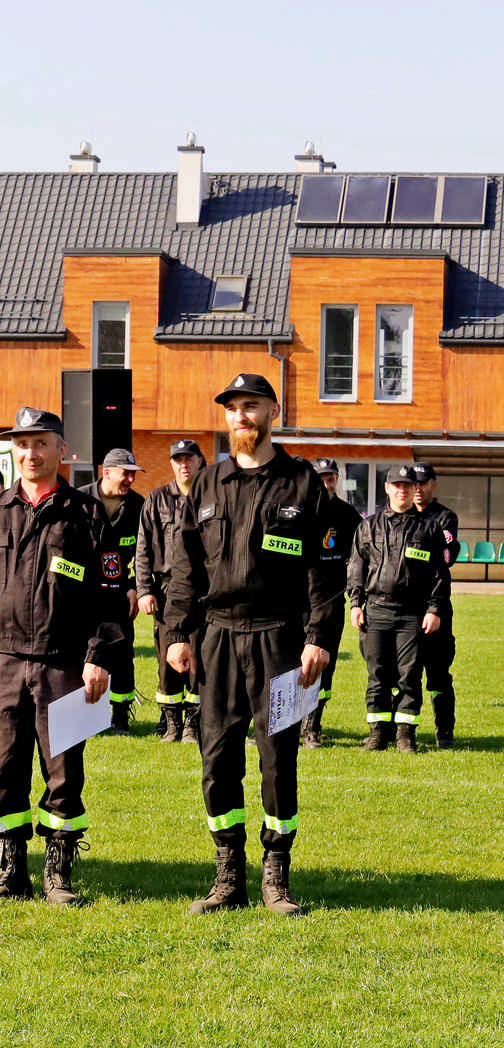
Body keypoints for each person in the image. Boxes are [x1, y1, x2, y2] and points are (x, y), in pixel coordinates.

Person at [165, 373, 342, 916]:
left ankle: (276, 875)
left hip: (279, 640)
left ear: (272, 412)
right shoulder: (208, 483)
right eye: (233, 408)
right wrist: (176, 632)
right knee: (217, 759)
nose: (241, 416)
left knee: (278, 759)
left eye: (252, 406)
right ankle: (228, 874)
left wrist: (319, 637)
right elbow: (185, 567)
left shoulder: (302, 483)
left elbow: (324, 571)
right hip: (217, 638)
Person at [0, 407, 122, 905]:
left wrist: (99, 654)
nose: (31, 453)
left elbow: (109, 594)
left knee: (63, 768)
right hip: (2, 662)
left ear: (61, 449)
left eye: (41, 443)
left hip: (64, 661)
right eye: (22, 444)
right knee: (2, 767)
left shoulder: (89, 515)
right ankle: (9, 870)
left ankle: (58, 871)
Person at [347, 465, 449, 754]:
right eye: (397, 485)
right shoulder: (368, 526)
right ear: (387, 488)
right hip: (375, 610)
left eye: (407, 485)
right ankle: (378, 733)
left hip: (412, 613)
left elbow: (439, 574)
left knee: (409, 675)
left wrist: (434, 609)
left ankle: (405, 735)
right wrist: (355, 604)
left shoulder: (429, 528)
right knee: (377, 674)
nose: (402, 490)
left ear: (415, 489)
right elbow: (356, 567)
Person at [135, 440, 206, 743]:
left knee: (200, 659)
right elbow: (142, 548)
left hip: (203, 592)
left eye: (189, 459)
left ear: (200, 461)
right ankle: (172, 722)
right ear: (171, 464)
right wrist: (143, 590)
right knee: (168, 660)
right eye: (178, 460)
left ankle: (193, 723)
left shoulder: (211, 497)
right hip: (166, 591)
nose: (183, 465)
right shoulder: (157, 499)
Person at [302, 457, 361, 747]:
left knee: (323, 666)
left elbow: (361, 555)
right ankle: (288, 727)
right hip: (296, 603)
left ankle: (312, 726)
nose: (326, 483)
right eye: (321, 478)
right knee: (289, 666)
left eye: (331, 478)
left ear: (337, 479)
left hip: (330, 603)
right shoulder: (300, 511)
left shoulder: (347, 514)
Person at [89, 449, 145, 734]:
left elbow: (145, 553)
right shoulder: (80, 501)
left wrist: (135, 587)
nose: (131, 480)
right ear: (107, 472)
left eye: (133, 474)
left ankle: (120, 717)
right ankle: (86, 716)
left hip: (120, 595)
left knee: (122, 655)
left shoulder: (138, 505)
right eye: (126, 473)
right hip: (85, 595)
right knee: (82, 654)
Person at [412, 463, 460, 747]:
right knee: (402, 672)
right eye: (414, 483)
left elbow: (445, 557)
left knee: (438, 672)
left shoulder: (445, 517)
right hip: (404, 608)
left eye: (423, 482)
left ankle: (444, 731)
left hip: (436, 605)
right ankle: (400, 732)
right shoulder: (400, 515)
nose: (418, 488)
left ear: (434, 484)